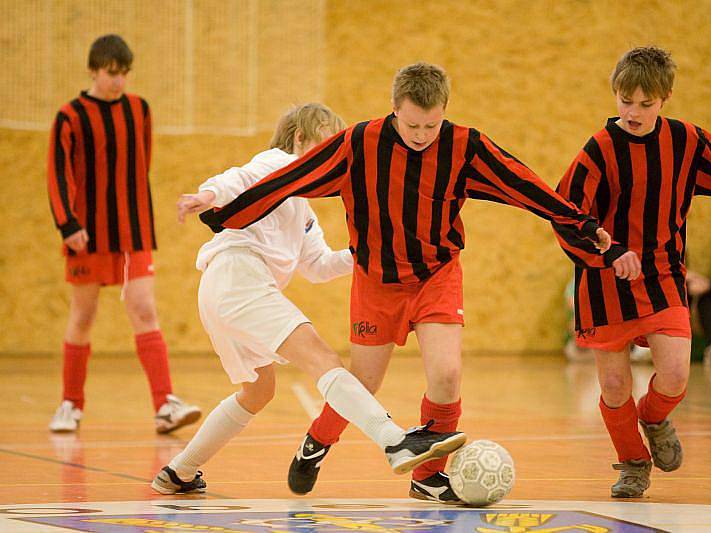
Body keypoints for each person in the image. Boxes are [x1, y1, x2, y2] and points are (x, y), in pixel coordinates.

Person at [199, 62, 633, 503]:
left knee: (446, 375)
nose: (422, 134)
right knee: (363, 383)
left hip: (436, 274)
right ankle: (317, 442)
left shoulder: (465, 146)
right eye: (412, 124)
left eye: (432, 124)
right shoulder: (359, 143)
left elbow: (523, 184)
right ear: (393, 110)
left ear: (445, 111)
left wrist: (581, 222)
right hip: (377, 281)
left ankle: (426, 477)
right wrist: (223, 214)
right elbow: (289, 179)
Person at [151, 103, 466, 495]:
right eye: (326, 140)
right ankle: (395, 440)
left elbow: (317, 266)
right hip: (238, 277)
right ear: (300, 138)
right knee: (323, 360)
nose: (333, 150)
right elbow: (240, 178)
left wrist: (369, 250)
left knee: (258, 391)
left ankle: (180, 471)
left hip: (222, 291)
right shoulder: (277, 163)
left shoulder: (301, 204)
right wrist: (208, 194)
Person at [555, 46, 711, 498]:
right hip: (604, 281)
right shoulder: (599, 149)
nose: (633, 112)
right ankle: (632, 462)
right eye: (625, 101)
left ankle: (652, 417)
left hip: (663, 275)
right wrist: (606, 253)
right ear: (615, 94)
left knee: (675, 375)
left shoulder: (686, 142)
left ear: (664, 98)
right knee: (612, 383)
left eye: (645, 104)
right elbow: (565, 214)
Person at [46, 34, 200, 434]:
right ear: (94, 70)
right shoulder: (70, 115)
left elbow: (141, 164)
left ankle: (164, 404)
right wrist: (68, 224)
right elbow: (58, 173)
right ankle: (70, 404)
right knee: (83, 315)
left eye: (124, 74)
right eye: (111, 74)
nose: (118, 82)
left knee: (144, 310)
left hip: (134, 231)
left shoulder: (139, 110)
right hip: (87, 234)